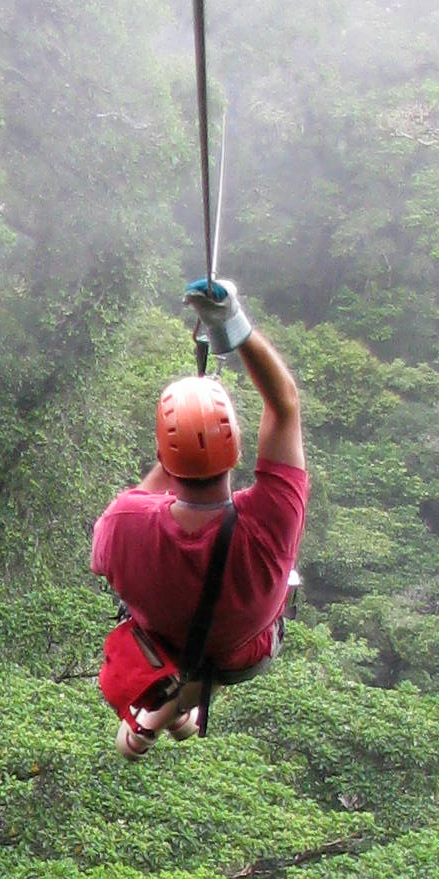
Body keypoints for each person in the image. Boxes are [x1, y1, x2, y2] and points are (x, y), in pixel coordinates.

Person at [91, 279, 308, 757]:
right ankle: (173, 713)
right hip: (245, 652)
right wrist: (233, 325)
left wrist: (178, 446)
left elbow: (143, 499)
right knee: (210, 652)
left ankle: (162, 714)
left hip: (164, 641)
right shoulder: (270, 523)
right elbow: (285, 404)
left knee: (172, 641)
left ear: (163, 456)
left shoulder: (124, 523)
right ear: (235, 449)